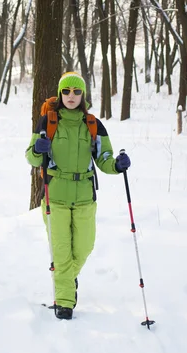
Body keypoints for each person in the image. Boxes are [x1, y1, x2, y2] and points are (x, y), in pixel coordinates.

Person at [25, 72, 131, 320]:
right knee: (62, 253)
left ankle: (67, 279)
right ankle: (64, 302)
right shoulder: (47, 122)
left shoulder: (94, 124)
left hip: (85, 197)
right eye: (66, 91)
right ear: (60, 94)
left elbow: (104, 159)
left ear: (83, 94)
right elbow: (31, 156)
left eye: (76, 91)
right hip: (55, 198)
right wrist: (38, 150)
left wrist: (117, 165)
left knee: (84, 248)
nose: (71, 96)